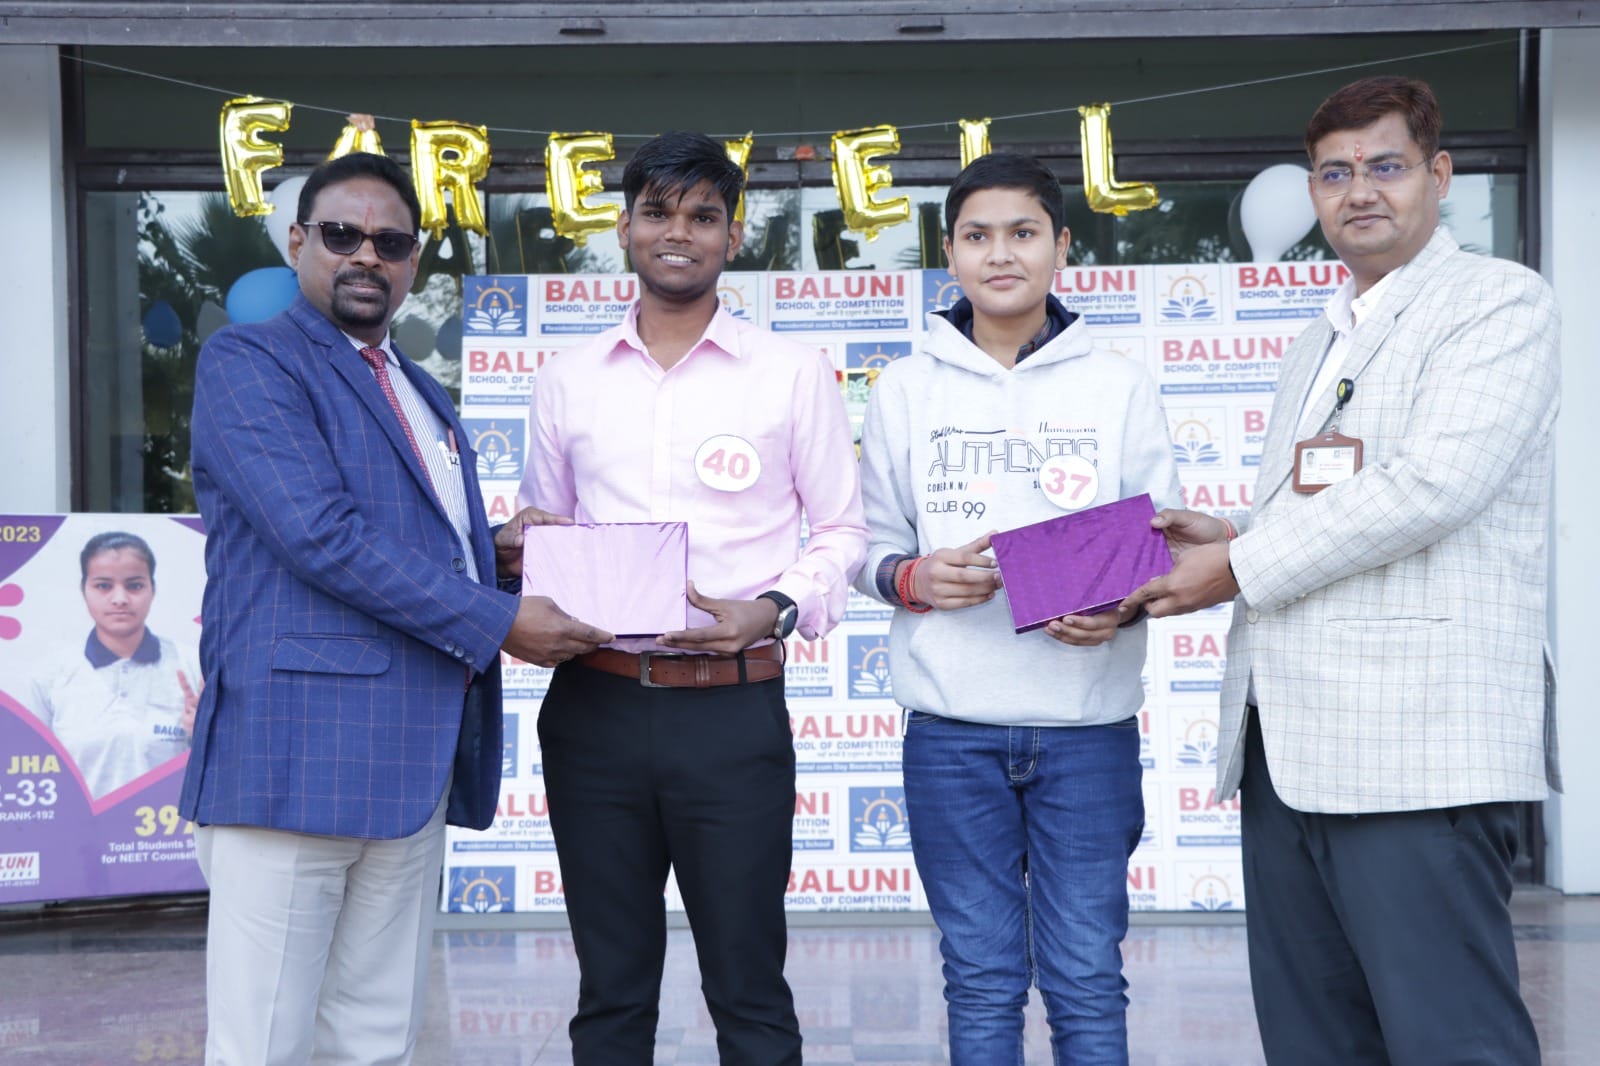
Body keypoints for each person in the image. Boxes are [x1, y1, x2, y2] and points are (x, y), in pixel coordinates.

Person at [1124, 76, 1560, 1065]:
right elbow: (1327, 506)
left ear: (1439, 176)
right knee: (1314, 1041)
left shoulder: (1497, 302)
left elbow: (1431, 487)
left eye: (1385, 166)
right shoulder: (1321, 336)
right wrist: (1228, 528)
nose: (1359, 191)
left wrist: (1236, 563)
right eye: (1333, 173)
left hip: (1415, 751)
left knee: (1451, 1039)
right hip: (1289, 749)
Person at [181, 151, 610, 1066]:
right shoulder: (251, 361)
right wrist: (497, 620)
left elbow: (413, 542)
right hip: (293, 758)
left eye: (391, 242)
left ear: (414, 260)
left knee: (377, 1037)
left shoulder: (419, 389)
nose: (366, 256)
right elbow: (318, 535)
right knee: (263, 1041)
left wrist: (494, 554)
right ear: (298, 243)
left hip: (410, 759)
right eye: (342, 235)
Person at [510, 130, 866, 1065]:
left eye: (703, 215)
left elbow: (842, 531)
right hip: (594, 708)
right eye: (658, 212)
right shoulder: (566, 379)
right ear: (624, 228)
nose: (680, 232)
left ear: (733, 235)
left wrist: (773, 608)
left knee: (749, 991)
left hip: (731, 715)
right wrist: (524, 551)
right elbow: (548, 529)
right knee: (610, 993)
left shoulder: (791, 373)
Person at [853, 152, 1182, 1064]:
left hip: (1087, 729)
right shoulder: (905, 388)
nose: (1001, 254)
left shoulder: (1119, 385)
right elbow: (864, 548)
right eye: (978, 235)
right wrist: (914, 579)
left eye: (1023, 232)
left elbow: (1162, 543)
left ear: (1062, 246)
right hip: (951, 733)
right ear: (949, 253)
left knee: (1086, 976)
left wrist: (1122, 608)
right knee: (981, 978)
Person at [27, 530, 199, 799]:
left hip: (169, 825)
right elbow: (31, 764)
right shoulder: (49, 676)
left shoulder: (192, 666)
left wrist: (201, 736)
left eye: (134, 585)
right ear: (84, 590)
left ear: (152, 589)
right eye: (103, 586)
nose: (120, 598)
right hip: (79, 825)